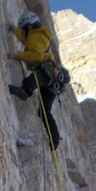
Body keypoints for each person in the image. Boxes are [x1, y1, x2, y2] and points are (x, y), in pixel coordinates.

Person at [7, 11, 60, 150]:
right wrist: (14, 30)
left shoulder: (35, 36)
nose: (22, 33)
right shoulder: (38, 36)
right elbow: (25, 40)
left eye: (23, 30)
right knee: (44, 111)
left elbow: (36, 56)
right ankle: (54, 138)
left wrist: (16, 56)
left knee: (33, 79)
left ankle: (24, 90)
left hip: (46, 72)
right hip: (53, 80)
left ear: (28, 28)